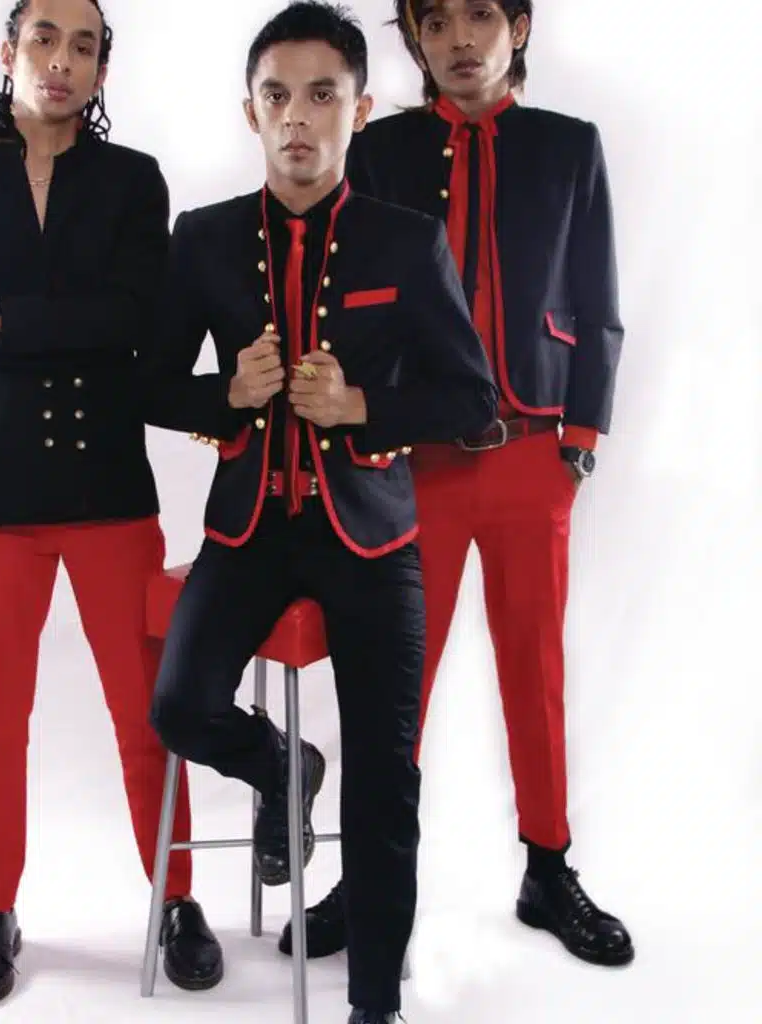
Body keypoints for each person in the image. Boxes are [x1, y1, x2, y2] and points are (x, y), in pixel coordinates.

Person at [140, 3, 498, 1020]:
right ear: (250, 112)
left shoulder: (406, 241)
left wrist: (361, 407)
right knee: (179, 707)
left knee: (386, 781)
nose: (297, 116)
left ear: (360, 109)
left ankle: (374, 1003)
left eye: (322, 95)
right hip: (247, 529)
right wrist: (227, 396)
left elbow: (471, 400)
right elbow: (149, 386)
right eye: (277, 96)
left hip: (372, 534)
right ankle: (284, 765)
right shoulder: (204, 237)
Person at [279, 0, 634, 970]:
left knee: (535, 668)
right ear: (415, 40)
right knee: (390, 679)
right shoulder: (380, 150)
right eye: (436, 22)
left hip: (530, 450)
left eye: (482, 14)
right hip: (412, 456)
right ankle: (369, 873)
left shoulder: (568, 147)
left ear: (518, 25)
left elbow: (597, 297)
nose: (461, 39)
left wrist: (579, 438)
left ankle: (547, 867)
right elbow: (342, 289)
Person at [0, 0, 222, 1005]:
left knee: (148, 711)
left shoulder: (133, 182)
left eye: (84, 45)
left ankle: (176, 897)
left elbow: (129, 325)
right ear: (10, 52)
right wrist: (24, 325)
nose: (62, 59)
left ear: (101, 71)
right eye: (44, 37)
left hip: (105, 484)